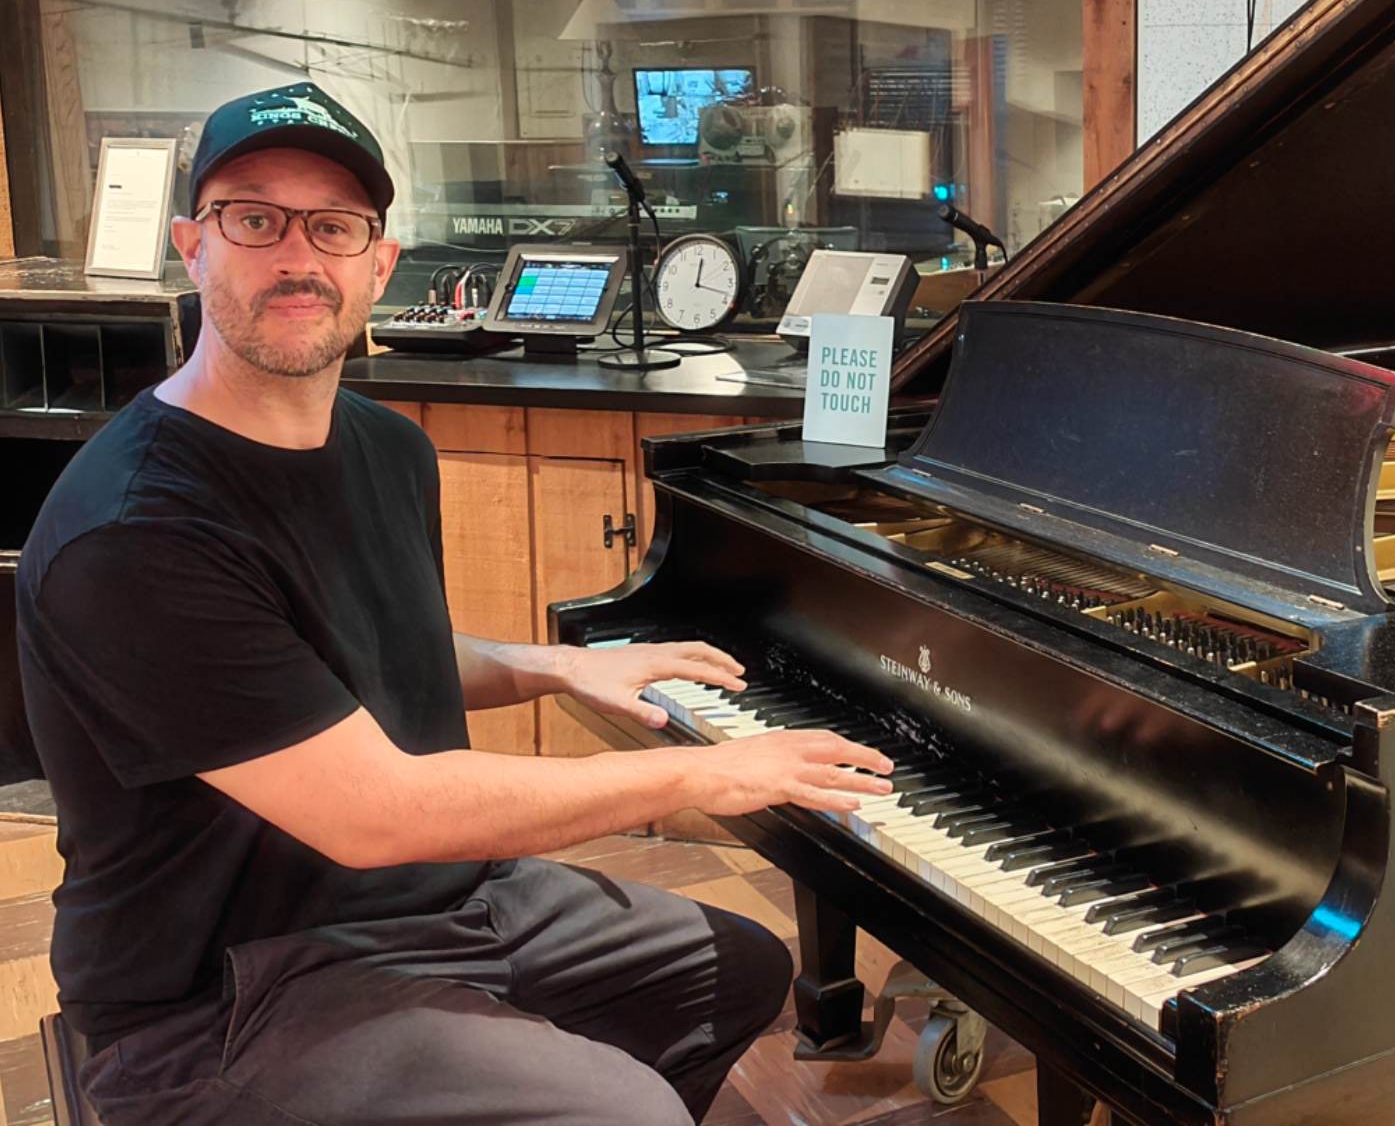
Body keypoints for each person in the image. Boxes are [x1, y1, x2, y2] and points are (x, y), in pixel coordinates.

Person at [14, 82, 892, 1126]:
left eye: (333, 227)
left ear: (377, 264)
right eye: (255, 219)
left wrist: (558, 665)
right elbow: (376, 812)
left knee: (731, 966)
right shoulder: (138, 530)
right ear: (193, 244)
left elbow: (372, 660)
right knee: (623, 1114)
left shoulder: (387, 450)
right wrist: (710, 770)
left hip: (426, 909)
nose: (298, 256)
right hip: (216, 998)